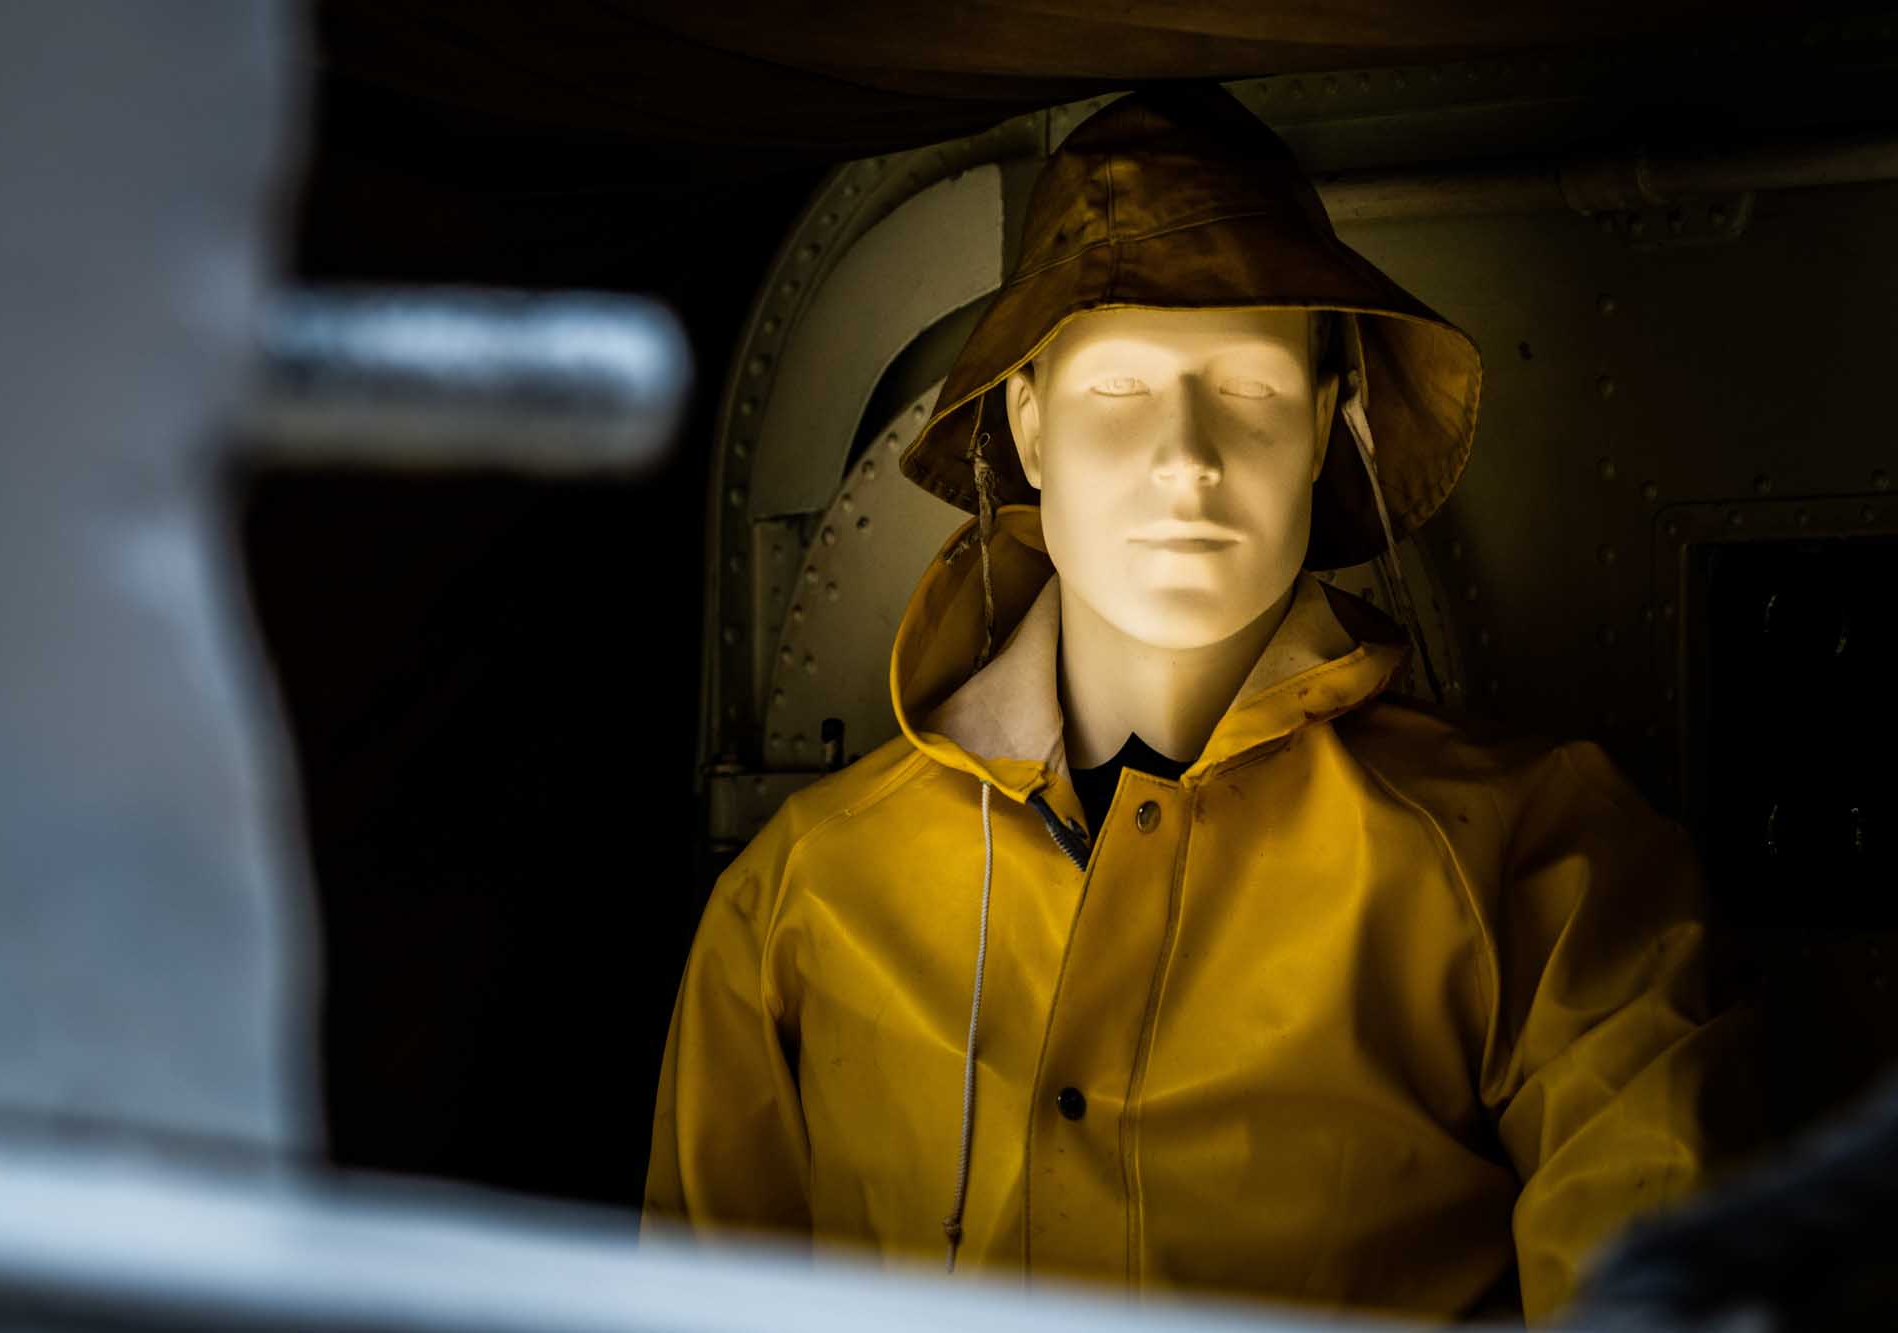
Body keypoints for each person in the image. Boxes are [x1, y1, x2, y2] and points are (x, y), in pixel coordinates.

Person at [643, 84, 1750, 1324]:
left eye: (1252, 391)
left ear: (1324, 426)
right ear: (1028, 426)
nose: (1186, 455)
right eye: (1119, 389)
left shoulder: (1538, 862)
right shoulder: (804, 899)